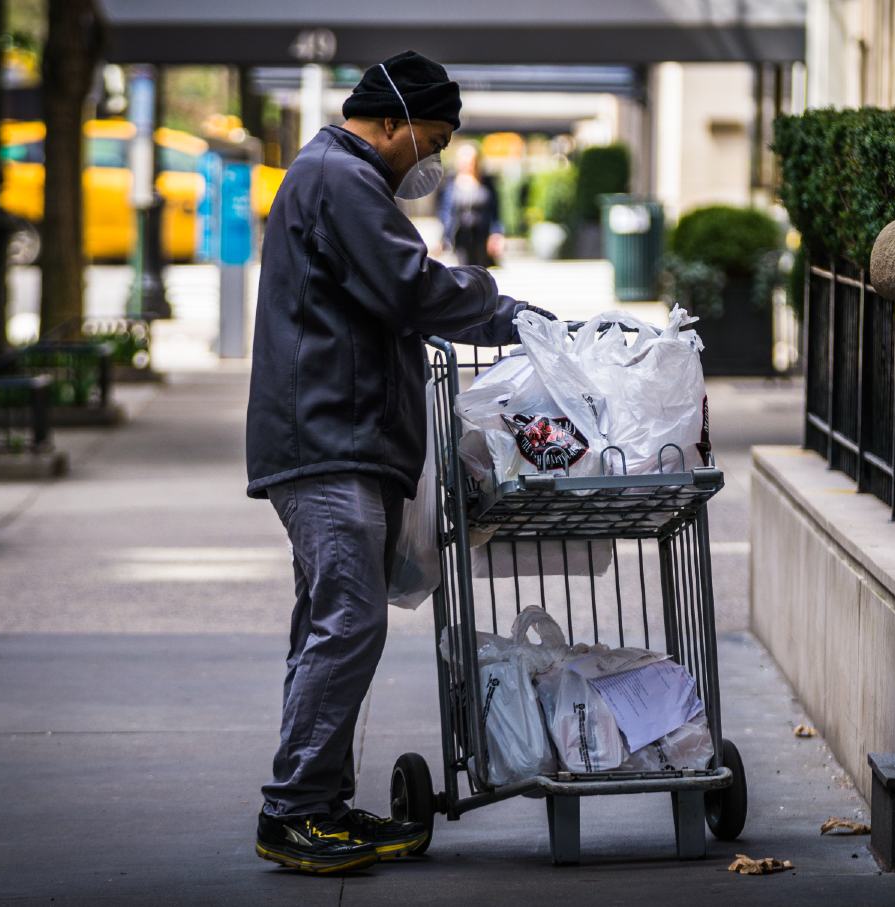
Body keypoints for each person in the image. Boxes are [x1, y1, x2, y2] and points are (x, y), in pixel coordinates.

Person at [244, 50, 556, 874]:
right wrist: (514, 314)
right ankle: (296, 812)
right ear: (392, 121)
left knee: (330, 624)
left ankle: (320, 802)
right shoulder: (339, 178)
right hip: (326, 443)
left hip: (341, 438)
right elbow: (412, 290)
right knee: (349, 620)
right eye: (433, 138)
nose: (435, 159)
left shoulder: (338, 179)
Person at [437, 144, 504, 267]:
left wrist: (496, 234)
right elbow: (445, 213)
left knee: (481, 270)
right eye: (464, 161)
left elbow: (495, 212)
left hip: (482, 236)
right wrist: (444, 237)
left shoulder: (487, 184)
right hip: (460, 236)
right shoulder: (450, 184)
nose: (468, 164)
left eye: (471, 161)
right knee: (463, 270)